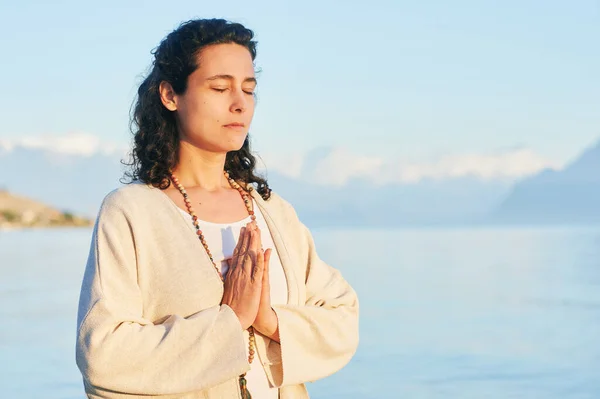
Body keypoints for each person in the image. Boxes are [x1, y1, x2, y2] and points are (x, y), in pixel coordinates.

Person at [75, 18, 359, 399]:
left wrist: (271, 322)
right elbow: (103, 354)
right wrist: (230, 323)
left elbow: (342, 317)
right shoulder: (133, 212)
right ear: (170, 95)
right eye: (220, 87)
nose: (239, 103)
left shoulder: (272, 211)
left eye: (249, 89)